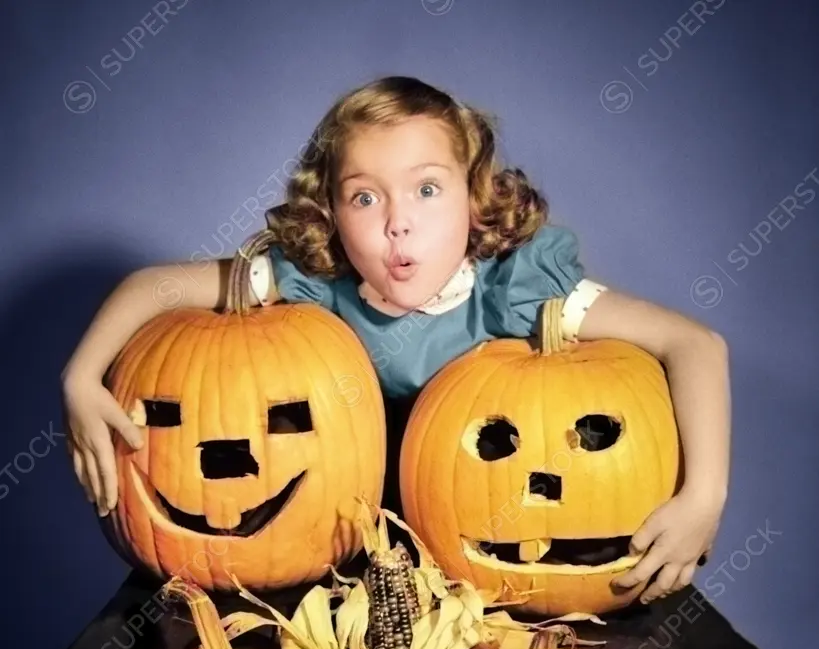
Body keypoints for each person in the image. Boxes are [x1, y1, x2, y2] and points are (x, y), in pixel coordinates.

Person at [62, 75, 729, 606]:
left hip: (488, 557)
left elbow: (695, 345)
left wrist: (702, 497)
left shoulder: (513, 290)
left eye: (426, 190)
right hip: (334, 556)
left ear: (475, 198)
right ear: (330, 212)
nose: (397, 226)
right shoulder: (318, 285)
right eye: (364, 199)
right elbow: (156, 286)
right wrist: (82, 377)